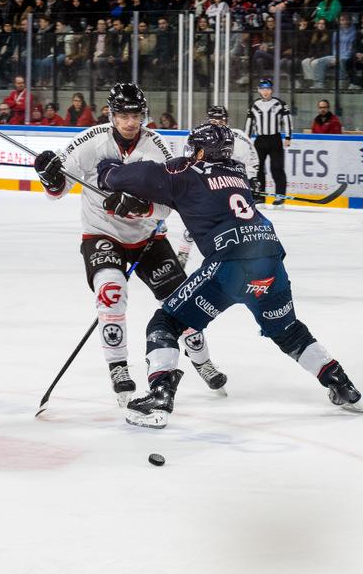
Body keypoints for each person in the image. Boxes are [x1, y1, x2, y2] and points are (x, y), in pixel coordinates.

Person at [95, 124, 363, 428]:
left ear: (200, 151)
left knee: (166, 323)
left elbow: (139, 176)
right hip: (270, 260)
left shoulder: (183, 171)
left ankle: (160, 396)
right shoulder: (238, 173)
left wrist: (107, 171)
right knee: (287, 330)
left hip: (230, 263)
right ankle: (342, 385)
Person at [32, 83, 228, 406]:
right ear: (111, 114)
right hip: (102, 233)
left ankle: (202, 360)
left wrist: (142, 207)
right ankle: (118, 367)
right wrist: (49, 175)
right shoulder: (91, 142)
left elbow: (173, 201)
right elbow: (57, 189)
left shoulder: (156, 147)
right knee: (111, 292)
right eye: (123, 115)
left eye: (135, 115)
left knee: (183, 302)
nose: (129, 122)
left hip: (147, 238)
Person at [176, 105, 261, 268]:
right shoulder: (200, 136)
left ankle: (242, 259)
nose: (217, 124)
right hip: (207, 187)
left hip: (232, 188)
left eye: (220, 121)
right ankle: (183, 255)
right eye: (213, 121)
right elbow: (188, 160)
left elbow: (252, 161)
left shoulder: (239, 137)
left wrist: (252, 179)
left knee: (240, 225)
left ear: (227, 121)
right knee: (195, 223)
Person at [245, 78, 292, 207]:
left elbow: (287, 120)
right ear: (259, 90)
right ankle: (260, 197)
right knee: (258, 169)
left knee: (277, 168)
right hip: (260, 140)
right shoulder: (254, 105)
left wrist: (288, 137)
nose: (265, 91)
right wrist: (246, 140)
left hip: (275, 139)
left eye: (268, 89)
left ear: (271, 90)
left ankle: (280, 196)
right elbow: (249, 124)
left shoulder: (279, 103)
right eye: (263, 89)